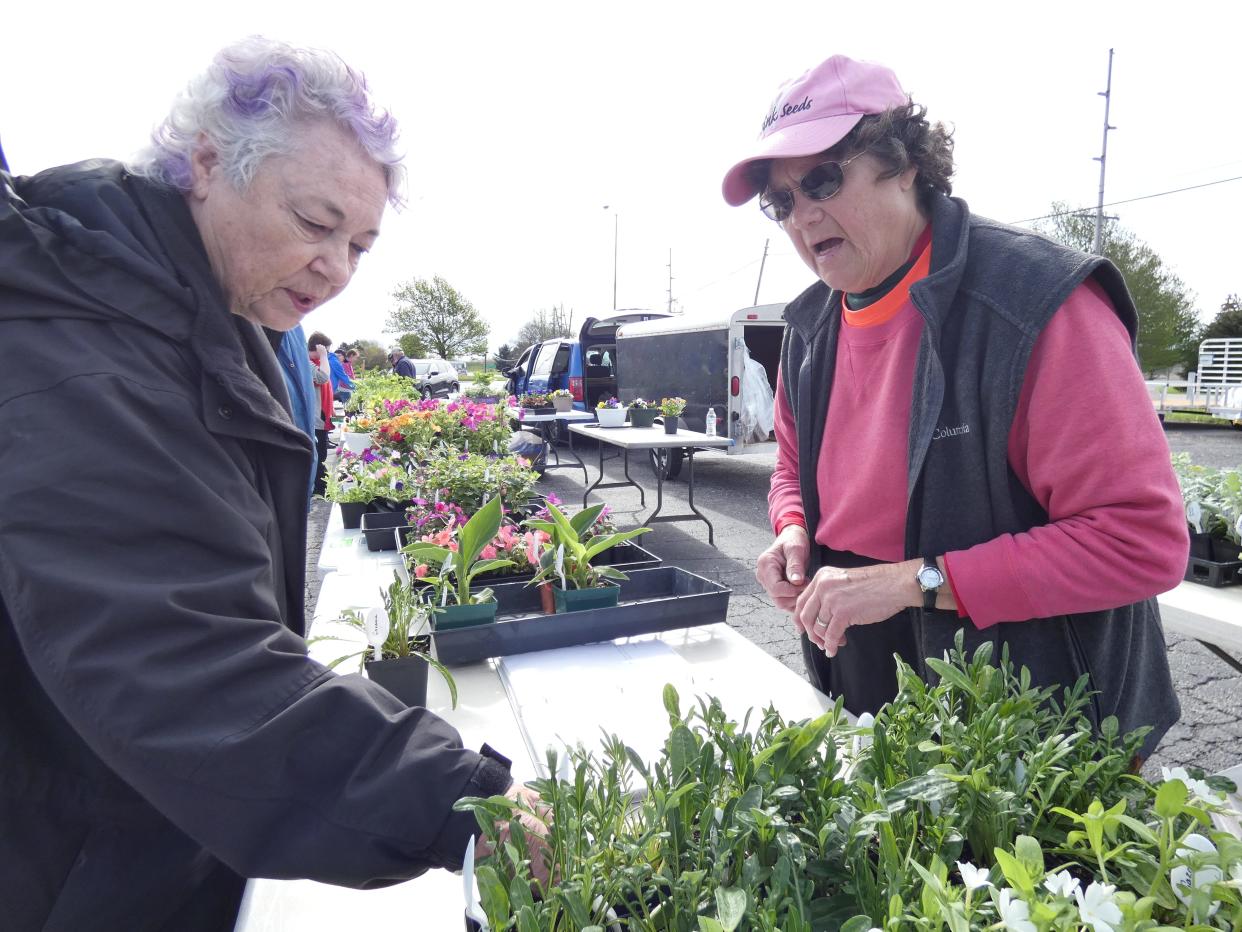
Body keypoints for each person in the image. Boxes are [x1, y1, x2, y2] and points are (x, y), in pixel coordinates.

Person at [0, 37, 545, 931]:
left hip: (150, 833)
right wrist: (453, 795)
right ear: (207, 162)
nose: (336, 267)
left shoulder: (205, 313)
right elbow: (176, 658)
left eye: (361, 245)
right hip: (78, 868)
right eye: (314, 222)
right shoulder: (87, 351)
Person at [724, 55, 1187, 757]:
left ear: (904, 162)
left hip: (1031, 703)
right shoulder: (808, 330)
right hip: (860, 661)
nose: (803, 215)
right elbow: (791, 469)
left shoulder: (1032, 303)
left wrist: (912, 583)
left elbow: (1141, 542)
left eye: (821, 178)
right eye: (782, 200)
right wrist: (792, 530)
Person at [307, 330, 336, 495]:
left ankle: (321, 487)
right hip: (315, 417)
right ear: (319, 348)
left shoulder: (316, 362)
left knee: (322, 452)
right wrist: (324, 356)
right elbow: (323, 378)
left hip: (322, 415)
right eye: (327, 350)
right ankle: (319, 489)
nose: (328, 353)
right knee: (319, 454)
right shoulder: (308, 362)